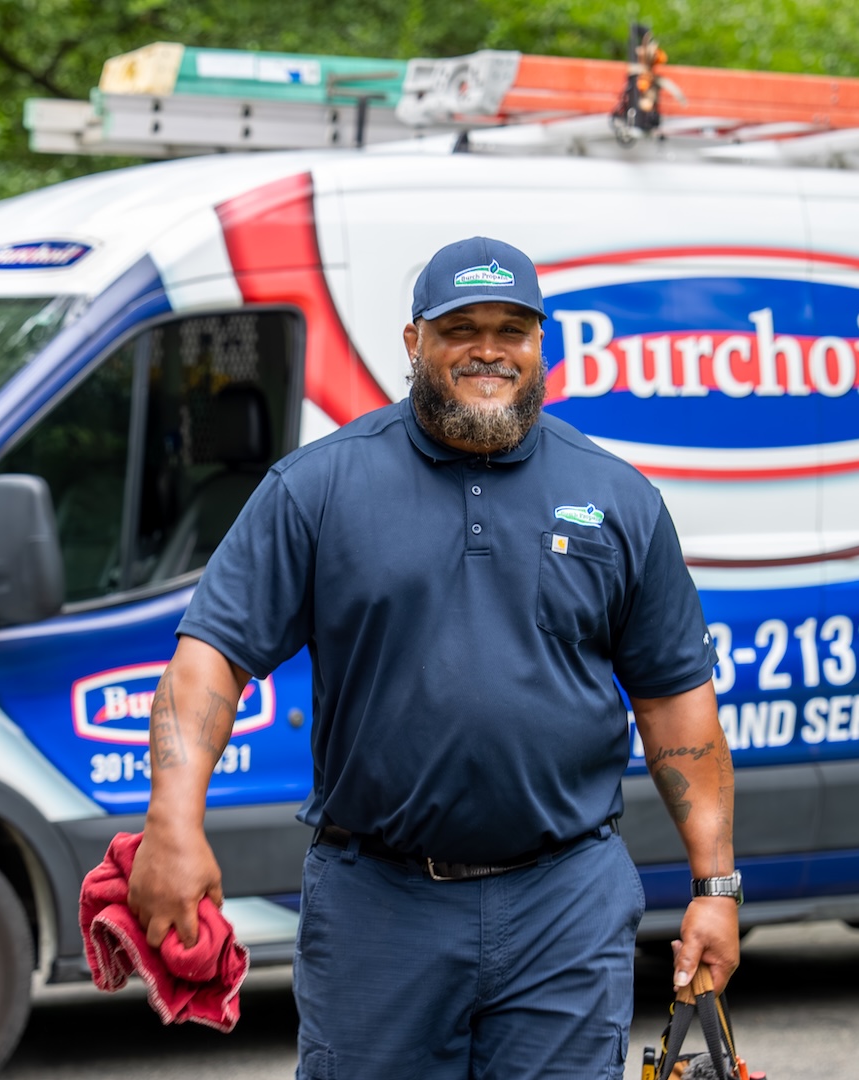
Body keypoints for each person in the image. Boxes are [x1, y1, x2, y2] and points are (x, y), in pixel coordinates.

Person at [128, 236, 739, 1080]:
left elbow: (677, 706)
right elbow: (210, 660)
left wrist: (716, 890)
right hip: (379, 905)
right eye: (461, 328)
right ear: (414, 342)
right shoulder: (319, 488)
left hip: (565, 901)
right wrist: (173, 826)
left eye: (513, 329)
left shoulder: (618, 498)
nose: (489, 349)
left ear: (541, 345)